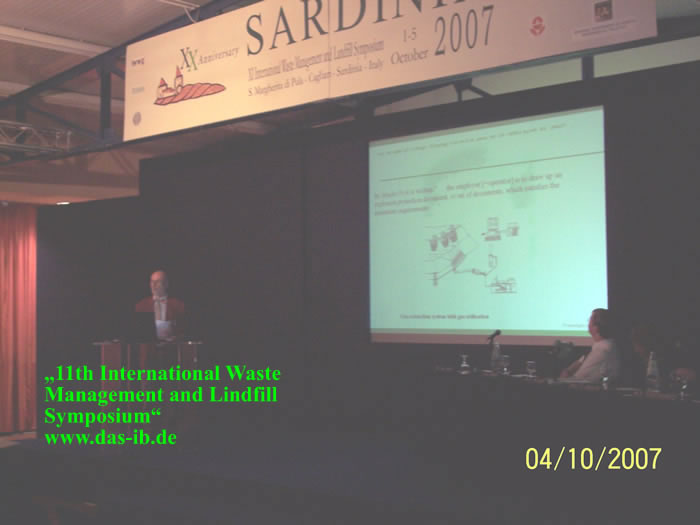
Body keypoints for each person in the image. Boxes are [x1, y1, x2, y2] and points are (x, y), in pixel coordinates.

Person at [560, 308, 620, 381]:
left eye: (589, 320)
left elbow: (578, 379)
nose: (588, 323)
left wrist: (565, 374)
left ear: (596, 327)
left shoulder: (602, 351)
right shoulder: (602, 346)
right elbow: (579, 363)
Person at [134, 270, 185, 341]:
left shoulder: (178, 305)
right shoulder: (141, 305)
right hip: (148, 345)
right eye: (152, 281)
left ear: (166, 284)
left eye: (157, 281)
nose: (153, 285)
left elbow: (184, 330)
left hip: (171, 345)